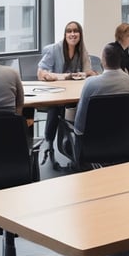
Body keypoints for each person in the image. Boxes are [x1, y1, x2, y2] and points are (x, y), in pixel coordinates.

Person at [37, 20, 97, 159]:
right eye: (69, 31)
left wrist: (87, 73)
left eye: (76, 31)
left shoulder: (82, 51)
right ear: (65, 34)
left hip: (75, 93)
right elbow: (40, 73)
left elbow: (89, 71)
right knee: (56, 106)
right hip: (56, 94)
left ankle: (81, 142)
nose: (72, 34)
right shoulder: (54, 50)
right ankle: (49, 142)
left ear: (80, 35)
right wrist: (61, 76)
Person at [73, 43, 129, 134]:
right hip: (118, 135)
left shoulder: (90, 83)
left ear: (103, 61)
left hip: (91, 139)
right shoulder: (128, 81)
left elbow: (80, 121)